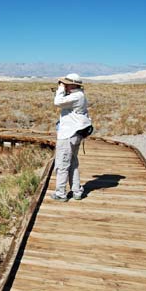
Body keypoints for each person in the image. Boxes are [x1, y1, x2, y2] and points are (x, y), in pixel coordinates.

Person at [51, 73, 92, 201]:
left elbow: (57, 102)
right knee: (73, 163)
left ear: (73, 84)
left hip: (68, 135)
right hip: (75, 134)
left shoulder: (76, 96)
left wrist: (61, 89)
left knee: (63, 164)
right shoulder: (79, 95)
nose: (65, 86)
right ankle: (77, 191)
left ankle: (61, 194)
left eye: (67, 84)